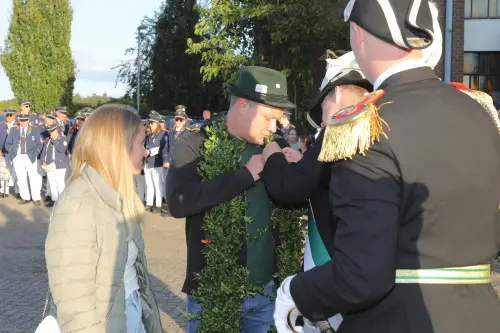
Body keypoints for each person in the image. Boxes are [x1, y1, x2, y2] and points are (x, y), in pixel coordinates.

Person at [273, 1, 500, 333]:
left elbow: (361, 275)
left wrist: (294, 292)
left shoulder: (366, 125)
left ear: (359, 34)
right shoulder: (481, 112)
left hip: (394, 319)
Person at [167, 66, 296, 333]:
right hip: (213, 293)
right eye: (268, 119)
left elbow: (295, 199)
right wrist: (244, 176)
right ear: (242, 106)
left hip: (266, 293)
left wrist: (299, 170)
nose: (273, 128)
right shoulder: (196, 143)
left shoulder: (276, 144)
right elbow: (180, 202)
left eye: (277, 120)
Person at [262, 53, 371, 332]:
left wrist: (272, 153)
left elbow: (289, 189)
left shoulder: (339, 128)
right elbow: (323, 175)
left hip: (337, 260)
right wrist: (304, 164)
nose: (321, 122)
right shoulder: (374, 124)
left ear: (334, 93)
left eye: (321, 109)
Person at [44, 104, 162, 333]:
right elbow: (75, 304)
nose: (146, 152)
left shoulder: (119, 195)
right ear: (119, 147)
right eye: (140, 143)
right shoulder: (79, 202)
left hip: (130, 314)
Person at [5, 113, 43, 206]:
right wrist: (12, 152)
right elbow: (8, 143)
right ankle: (25, 197)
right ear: (19, 120)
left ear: (28, 120)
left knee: (33, 178)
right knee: (21, 178)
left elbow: (39, 143)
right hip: (18, 156)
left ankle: (36, 198)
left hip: (30, 156)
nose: (23, 122)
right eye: (21, 120)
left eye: (25, 120)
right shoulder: (14, 129)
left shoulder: (34, 129)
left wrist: (36, 153)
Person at [144, 111, 169, 214]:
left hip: (157, 163)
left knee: (158, 185)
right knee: (149, 184)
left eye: (152, 123)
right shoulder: (149, 135)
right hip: (148, 163)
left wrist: (150, 151)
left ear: (158, 123)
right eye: (150, 123)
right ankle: (149, 203)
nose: (150, 125)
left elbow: (162, 148)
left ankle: (158, 205)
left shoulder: (163, 134)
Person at [40, 123, 69, 207]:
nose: (51, 133)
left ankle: (62, 200)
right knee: (52, 182)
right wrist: (43, 161)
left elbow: (62, 149)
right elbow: (44, 152)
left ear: (56, 130)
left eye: (52, 131)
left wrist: (55, 140)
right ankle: (54, 199)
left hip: (60, 164)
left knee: (59, 183)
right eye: (49, 131)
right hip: (50, 164)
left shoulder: (63, 139)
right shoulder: (48, 141)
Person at [0, 109, 18, 197]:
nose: (8, 117)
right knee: (3, 171)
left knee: (16, 172)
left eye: (10, 115)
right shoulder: (1, 126)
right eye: (7, 115)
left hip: (16, 152)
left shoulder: (18, 125)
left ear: (14, 115)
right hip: (4, 152)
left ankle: (17, 190)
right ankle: (4, 191)